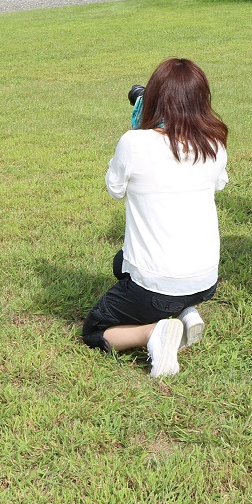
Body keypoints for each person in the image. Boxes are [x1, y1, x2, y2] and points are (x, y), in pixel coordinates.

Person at [81, 58, 228, 378]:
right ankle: (186, 311)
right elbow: (217, 182)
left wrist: (137, 130)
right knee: (120, 263)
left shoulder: (134, 143)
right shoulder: (214, 144)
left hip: (155, 285)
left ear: (156, 100)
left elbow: (115, 188)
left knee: (94, 330)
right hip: (205, 281)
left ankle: (155, 332)